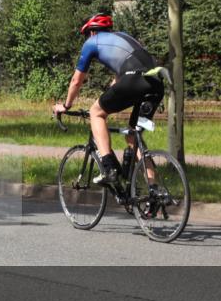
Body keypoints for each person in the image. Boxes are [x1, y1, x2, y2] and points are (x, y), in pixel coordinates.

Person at [53, 13, 167, 186]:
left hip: (134, 80)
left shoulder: (92, 42)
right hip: (156, 83)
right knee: (133, 136)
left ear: (91, 32)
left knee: (96, 113)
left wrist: (66, 105)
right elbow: (123, 75)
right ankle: (155, 192)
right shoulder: (125, 38)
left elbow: (77, 80)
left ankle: (109, 169)